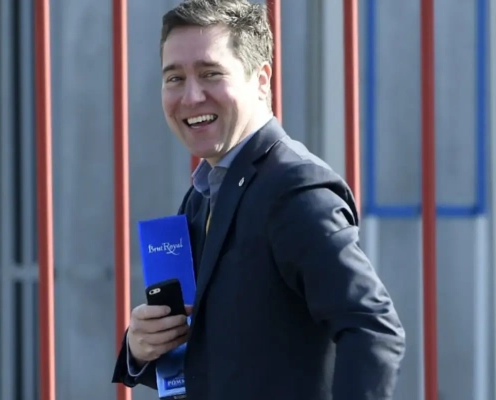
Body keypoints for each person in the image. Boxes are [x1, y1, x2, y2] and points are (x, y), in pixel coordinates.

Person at [111, 0, 406, 398]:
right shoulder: (202, 195)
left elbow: (372, 327)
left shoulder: (294, 188)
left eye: (211, 73)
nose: (191, 96)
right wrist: (141, 346)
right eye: (174, 78)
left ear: (262, 80)